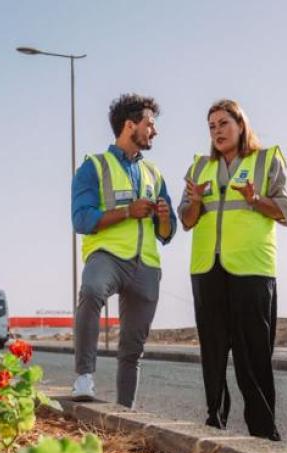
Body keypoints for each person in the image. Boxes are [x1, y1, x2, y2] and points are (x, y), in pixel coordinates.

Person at [179, 99, 287, 440]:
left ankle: (263, 432)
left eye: (224, 123)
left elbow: (284, 211)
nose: (217, 131)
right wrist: (195, 201)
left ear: (241, 125)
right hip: (208, 269)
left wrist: (255, 199)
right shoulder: (199, 168)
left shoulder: (267, 160)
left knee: (253, 355)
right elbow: (186, 220)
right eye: (211, 126)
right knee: (212, 352)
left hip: (252, 270)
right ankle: (215, 423)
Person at [71, 93, 177, 406]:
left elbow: (168, 232)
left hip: (146, 264)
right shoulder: (94, 167)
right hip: (108, 256)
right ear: (130, 125)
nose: (154, 131)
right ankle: (83, 378)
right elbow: (81, 219)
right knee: (91, 291)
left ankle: (125, 411)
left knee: (133, 347)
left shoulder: (154, 174)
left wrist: (162, 218)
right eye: (150, 124)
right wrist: (128, 212)